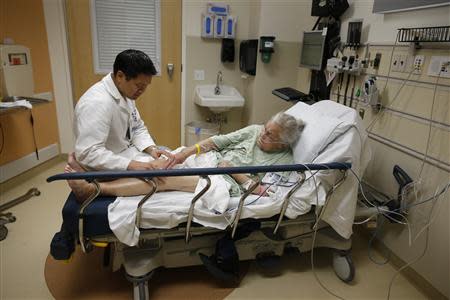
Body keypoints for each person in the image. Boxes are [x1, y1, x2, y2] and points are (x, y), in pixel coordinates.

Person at [67, 112, 305, 203]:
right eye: (264, 128)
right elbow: (216, 141)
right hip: (209, 162)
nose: (261, 134)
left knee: (163, 179)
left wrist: (233, 171)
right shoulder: (254, 130)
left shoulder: (283, 162)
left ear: (282, 142)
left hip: (221, 183)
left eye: (268, 134)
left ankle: (95, 190)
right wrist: (184, 154)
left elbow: (261, 190)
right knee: (159, 164)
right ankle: (92, 174)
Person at [73, 49, 174, 172]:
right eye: (139, 86)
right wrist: (134, 165)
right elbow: (88, 153)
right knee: (164, 175)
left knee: (168, 160)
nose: (142, 91)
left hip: (126, 154)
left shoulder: (125, 93)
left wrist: (151, 149)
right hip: (106, 165)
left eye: (145, 86)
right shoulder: (97, 102)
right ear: (120, 76)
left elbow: (137, 128)